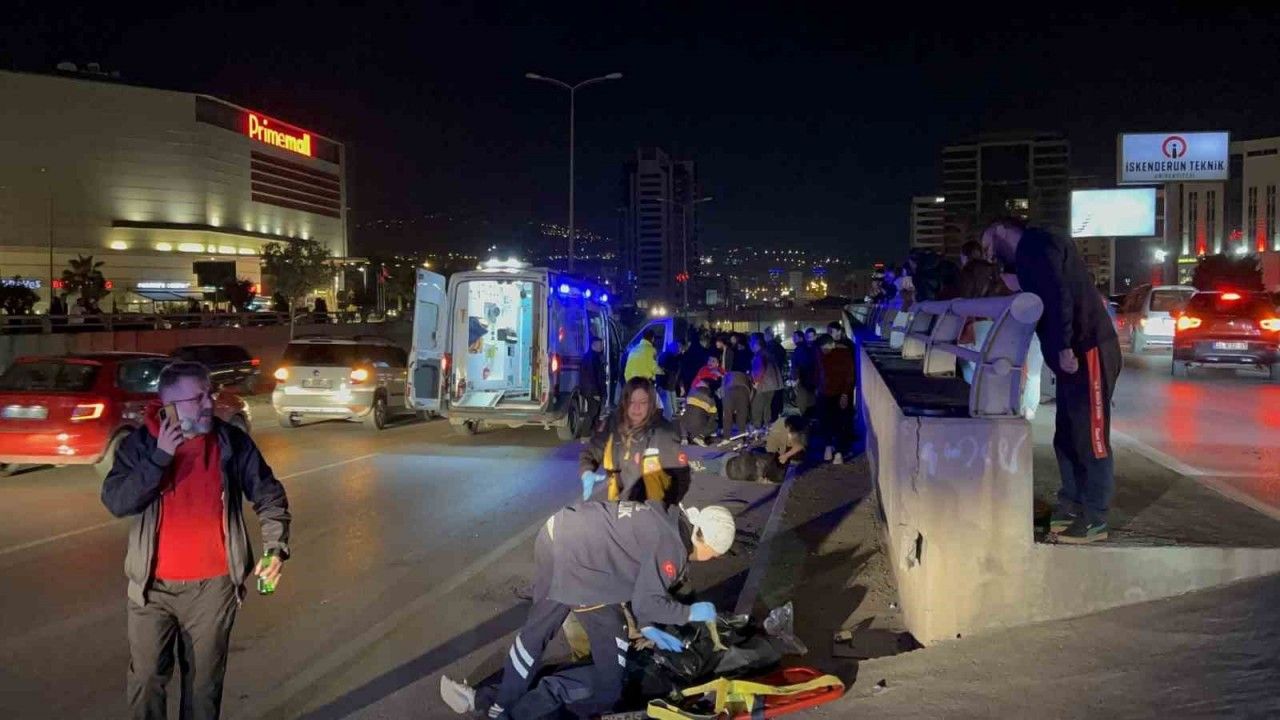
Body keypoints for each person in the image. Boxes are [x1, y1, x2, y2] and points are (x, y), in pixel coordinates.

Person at [101, 361, 291, 720]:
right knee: (146, 681)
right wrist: (160, 458)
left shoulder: (230, 442)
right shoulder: (140, 445)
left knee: (203, 687)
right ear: (168, 405)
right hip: (150, 589)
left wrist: (275, 547)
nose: (209, 404)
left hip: (213, 590)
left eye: (209, 394)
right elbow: (117, 502)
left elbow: (268, 494)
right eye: (197, 398)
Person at [440, 500, 736, 719]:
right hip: (579, 564)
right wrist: (690, 613)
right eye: (715, 554)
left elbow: (644, 585)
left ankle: (490, 701)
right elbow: (648, 600)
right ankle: (514, 710)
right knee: (608, 673)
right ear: (709, 545)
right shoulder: (673, 549)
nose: (712, 559)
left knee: (539, 632)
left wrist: (648, 625)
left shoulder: (669, 515)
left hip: (560, 535)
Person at [983, 217, 1122, 544]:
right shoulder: (1034, 252)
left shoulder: (1035, 245)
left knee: (1091, 435)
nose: (988, 252)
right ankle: (1071, 507)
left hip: (1087, 348)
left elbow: (1058, 295)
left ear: (1001, 229)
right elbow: (1047, 292)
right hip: (1075, 352)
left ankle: (1095, 518)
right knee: (1067, 434)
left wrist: (1063, 346)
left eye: (988, 242)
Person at [579, 377, 690, 506]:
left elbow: (681, 476)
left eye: (643, 402)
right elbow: (593, 450)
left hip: (652, 509)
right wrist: (587, 471)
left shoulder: (664, 432)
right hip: (618, 506)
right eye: (632, 402)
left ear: (651, 404)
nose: (636, 408)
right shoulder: (612, 424)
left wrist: (669, 505)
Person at [816, 334, 855, 464]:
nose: (824, 351)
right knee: (832, 422)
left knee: (833, 422)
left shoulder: (842, 353)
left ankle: (834, 451)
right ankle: (833, 450)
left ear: (831, 344)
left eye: (825, 348)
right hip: (828, 393)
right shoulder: (843, 353)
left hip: (834, 393)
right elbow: (849, 375)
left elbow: (849, 375)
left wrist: (844, 394)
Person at [720, 334, 752, 439]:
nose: (731, 340)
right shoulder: (746, 352)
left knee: (728, 411)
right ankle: (741, 434)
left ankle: (727, 436)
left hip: (732, 380)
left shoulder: (732, 352)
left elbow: (726, 367)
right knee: (742, 410)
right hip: (743, 381)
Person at [748, 333, 782, 432]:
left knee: (757, 405)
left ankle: (756, 426)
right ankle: (767, 425)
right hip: (772, 385)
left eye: (751, 342)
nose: (749, 345)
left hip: (763, 385)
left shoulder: (759, 355)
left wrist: (756, 382)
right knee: (767, 406)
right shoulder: (768, 353)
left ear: (756, 344)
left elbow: (759, 370)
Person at [577, 336, 607, 438]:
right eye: (600, 344)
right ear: (593, 345)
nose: (602, 346)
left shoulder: (595, 357)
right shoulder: (592, 359)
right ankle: (585, 434)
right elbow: (591, 377)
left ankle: (592, 433)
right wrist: (596, 393)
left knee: (595, 412)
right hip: (592, 391)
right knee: (592, 412)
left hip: (592, 390)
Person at [790, 329, 818, 417]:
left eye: (795, 337)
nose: (793, 339)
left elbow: (795, 366)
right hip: (812, 381)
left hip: (805, 380)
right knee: (811, 403)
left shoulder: (800, 349)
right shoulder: (815, 348)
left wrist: (795, 379)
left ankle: (807, 419)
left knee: (804, 403)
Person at [657, 341, 683, 421]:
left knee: (669, 394)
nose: (680, 350)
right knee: (669, 394)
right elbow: (673, 370)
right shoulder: (673, 358)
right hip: (668, 379)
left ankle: (672, 413)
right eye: (678, 348)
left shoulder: (664, 355)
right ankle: (672, 414)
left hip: (664, 380)